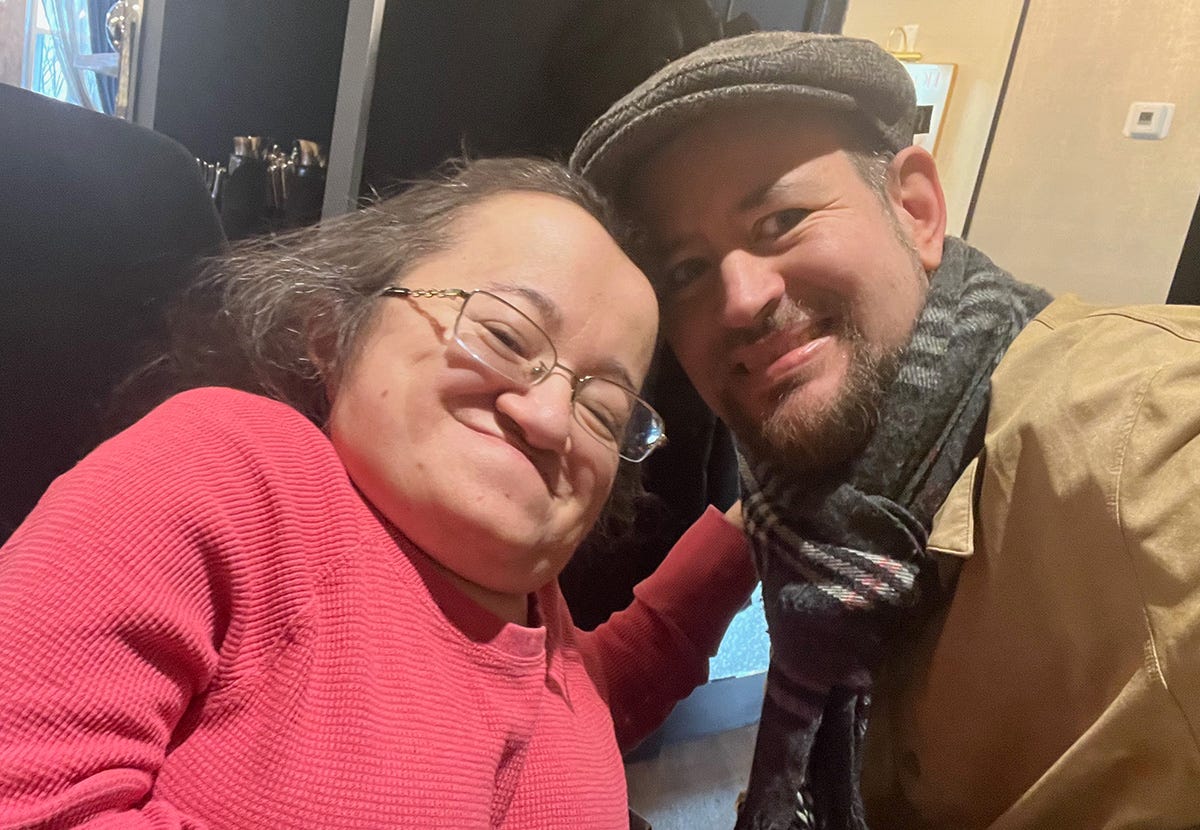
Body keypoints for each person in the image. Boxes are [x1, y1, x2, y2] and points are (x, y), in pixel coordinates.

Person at [0, 157, 758, 828]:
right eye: (506, 337)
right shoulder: (235, 471)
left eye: (603, 410)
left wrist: (754, 527)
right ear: (334, 334)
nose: (552, 417)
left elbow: (584, 704)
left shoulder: (538, 619)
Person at [572, 31, 1200, 829]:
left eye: (781, 219)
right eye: (687, 270)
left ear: (917, 210)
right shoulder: (815, 506)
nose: (738, 299)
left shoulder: (1136, 440)